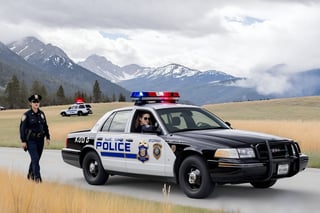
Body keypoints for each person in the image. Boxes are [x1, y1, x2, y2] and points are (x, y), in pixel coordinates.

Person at [20, 94, 50, 183]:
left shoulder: (42, 114)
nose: (36, 103)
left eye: (37, 102)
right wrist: (23, 141)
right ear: (31, 103)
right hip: (31, 140)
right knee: (35, 159)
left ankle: (30, 175)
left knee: (35, 159)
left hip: (40, 140)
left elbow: (45, 126)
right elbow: (22, 128)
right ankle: (37, 179)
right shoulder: (27, 115)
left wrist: (48, 137)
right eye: (34, 102)